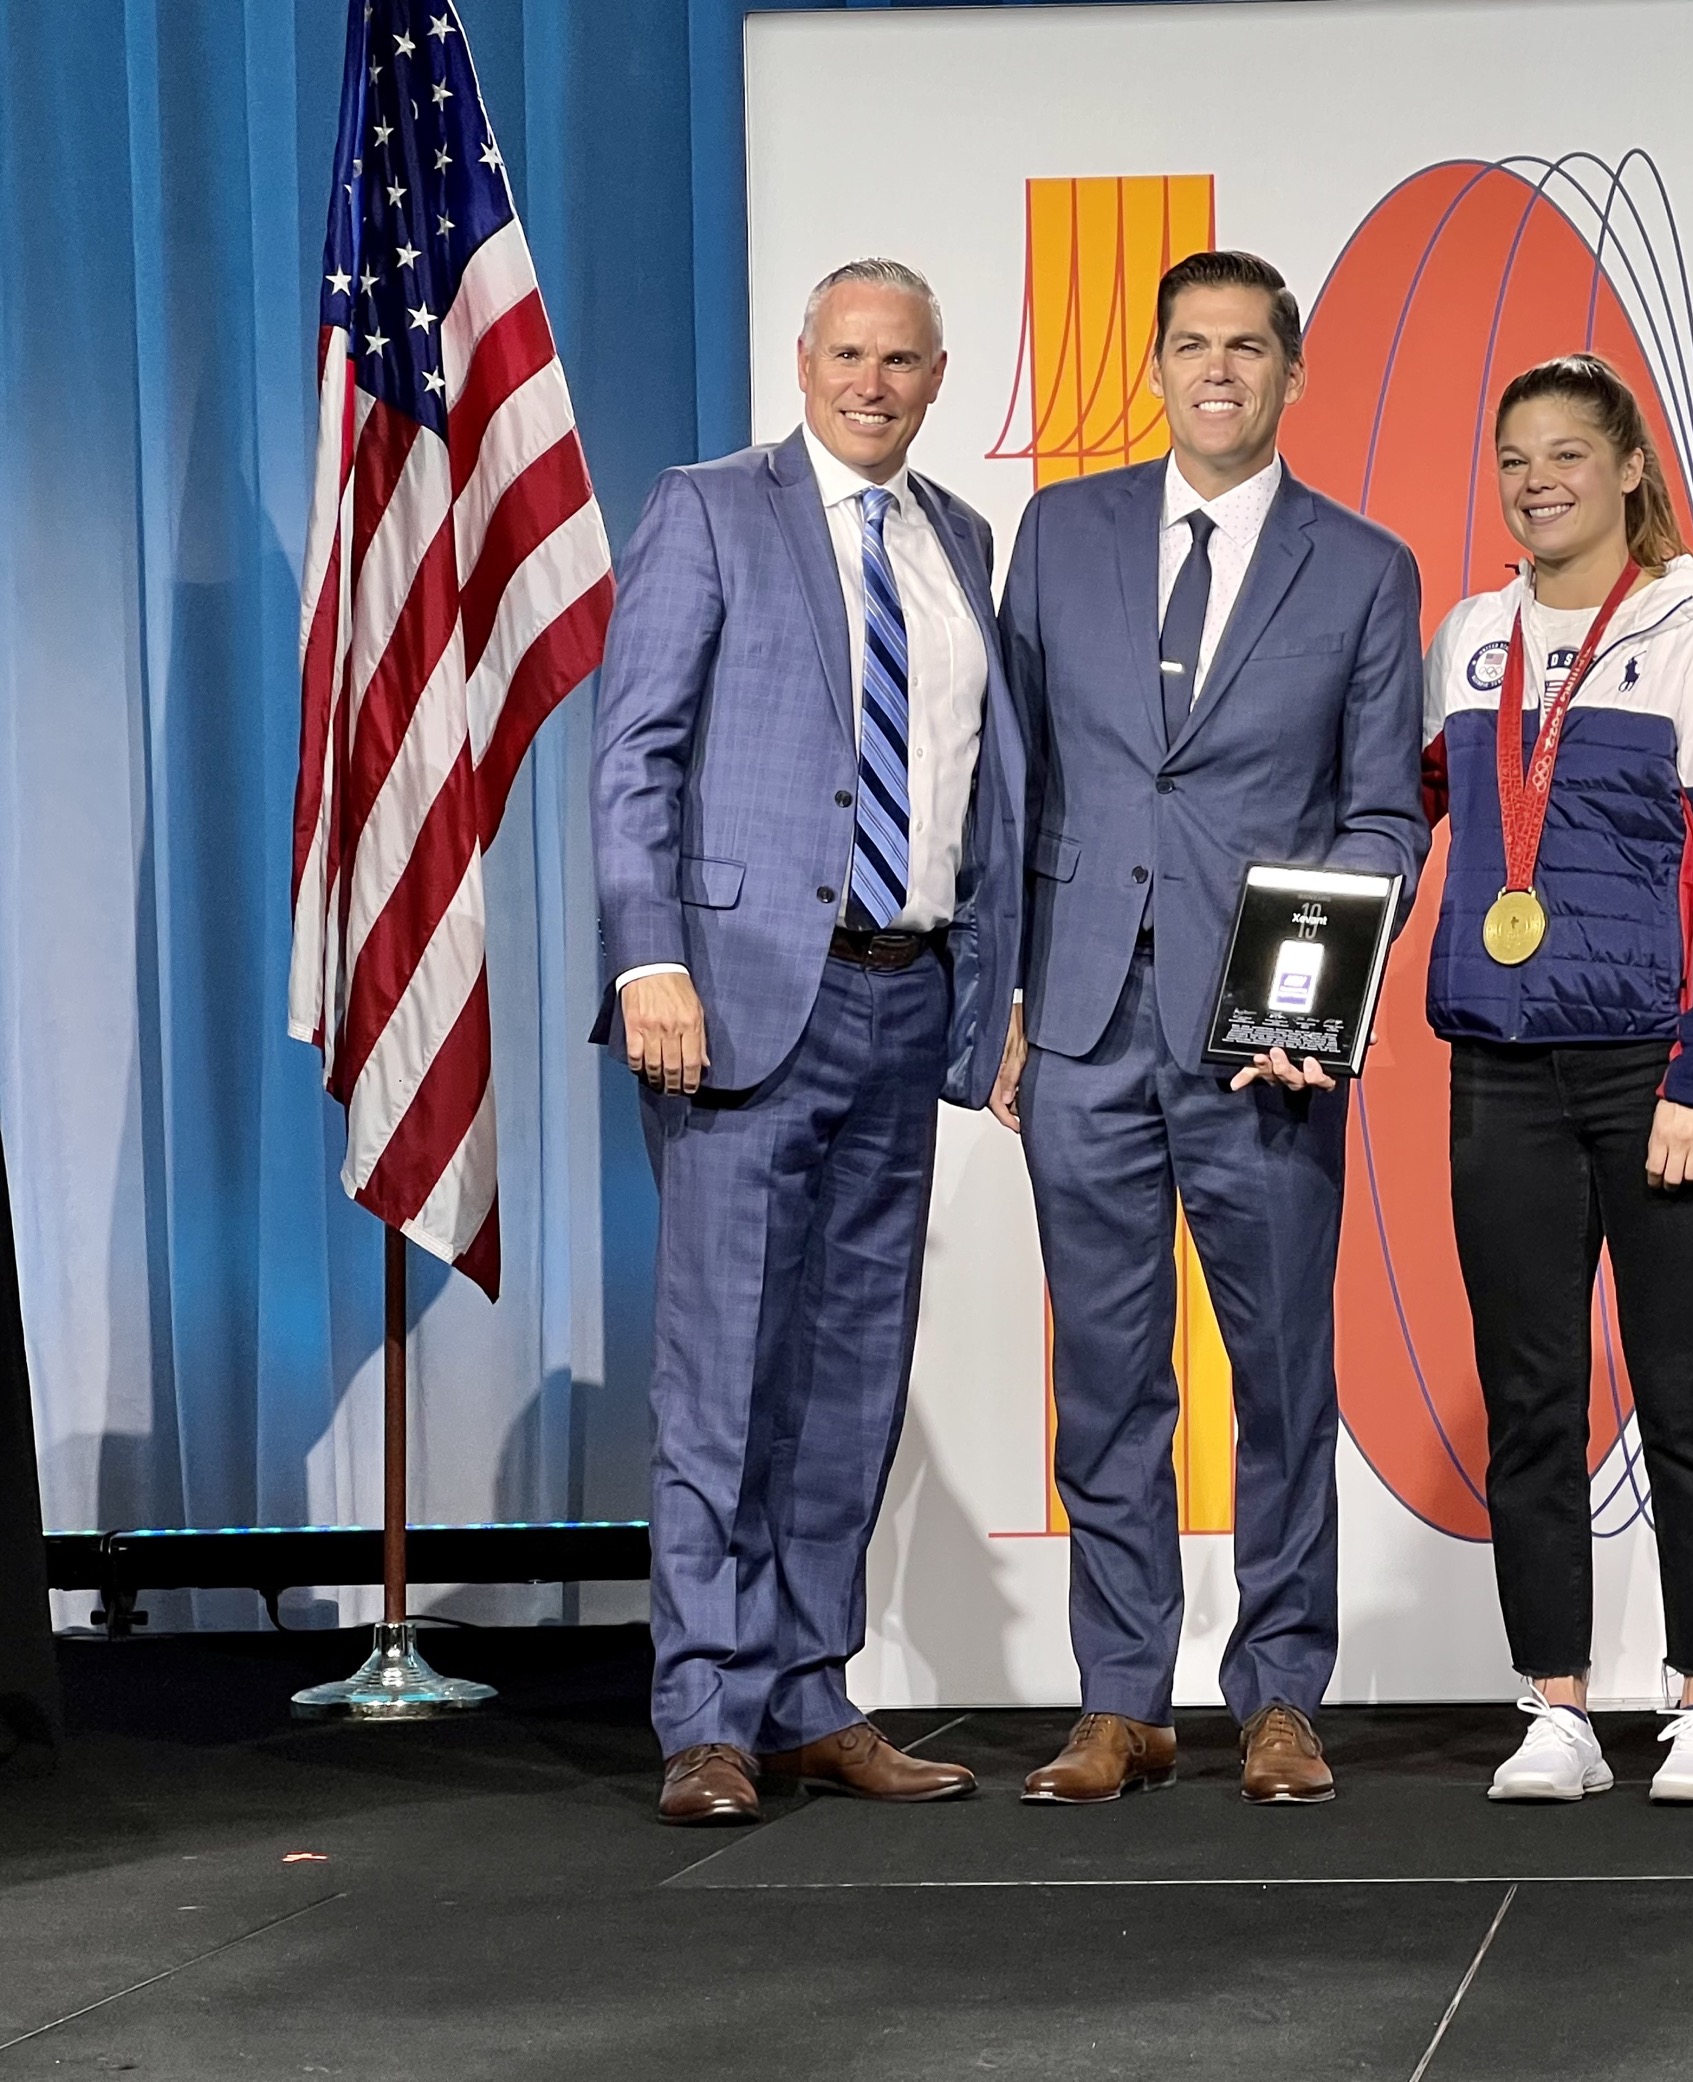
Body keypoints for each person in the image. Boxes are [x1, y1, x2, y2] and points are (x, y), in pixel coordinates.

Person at [592, 260, 1025, 1825]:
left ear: (938, 372)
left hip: (905, 1001)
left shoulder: (960, 541)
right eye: (849, 353)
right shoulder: (709, 508)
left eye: (901, 359)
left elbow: (991, 789)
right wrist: (649, 954)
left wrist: (1000, 997)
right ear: (803, 358)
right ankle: (703, 1712)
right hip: (735, 1002)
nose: (873, 381)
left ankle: (805, 1692)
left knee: (853, 1372)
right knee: (725, 1375)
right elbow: (634, 746)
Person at [993, 250, 1428, 1806]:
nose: (1220, 372)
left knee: (1280, 1373)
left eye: (1249, 348)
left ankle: (1279, 1694)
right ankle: (1122, 1699)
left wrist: (1308, 998)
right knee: (1106, 1374)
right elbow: (1009, 787)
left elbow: (1383, 814)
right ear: (1158, 367)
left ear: (1291, 374)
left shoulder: (1368, 569)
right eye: (1192, 346)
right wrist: (1005, 1003)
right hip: (1085, 1022)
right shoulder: (1060, 532)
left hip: (1265, 1048)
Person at [1421, 355, 1693, 1804]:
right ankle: (1556, 1704)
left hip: (1657, 1072)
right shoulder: (1471, 635)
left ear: (1631, 467)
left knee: (1690, 1387)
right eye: (1514, 456)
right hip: (1502, 1070)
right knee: (1532, 1397)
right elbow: (1430, 807)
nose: (1536, 480)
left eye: (1567, 452)